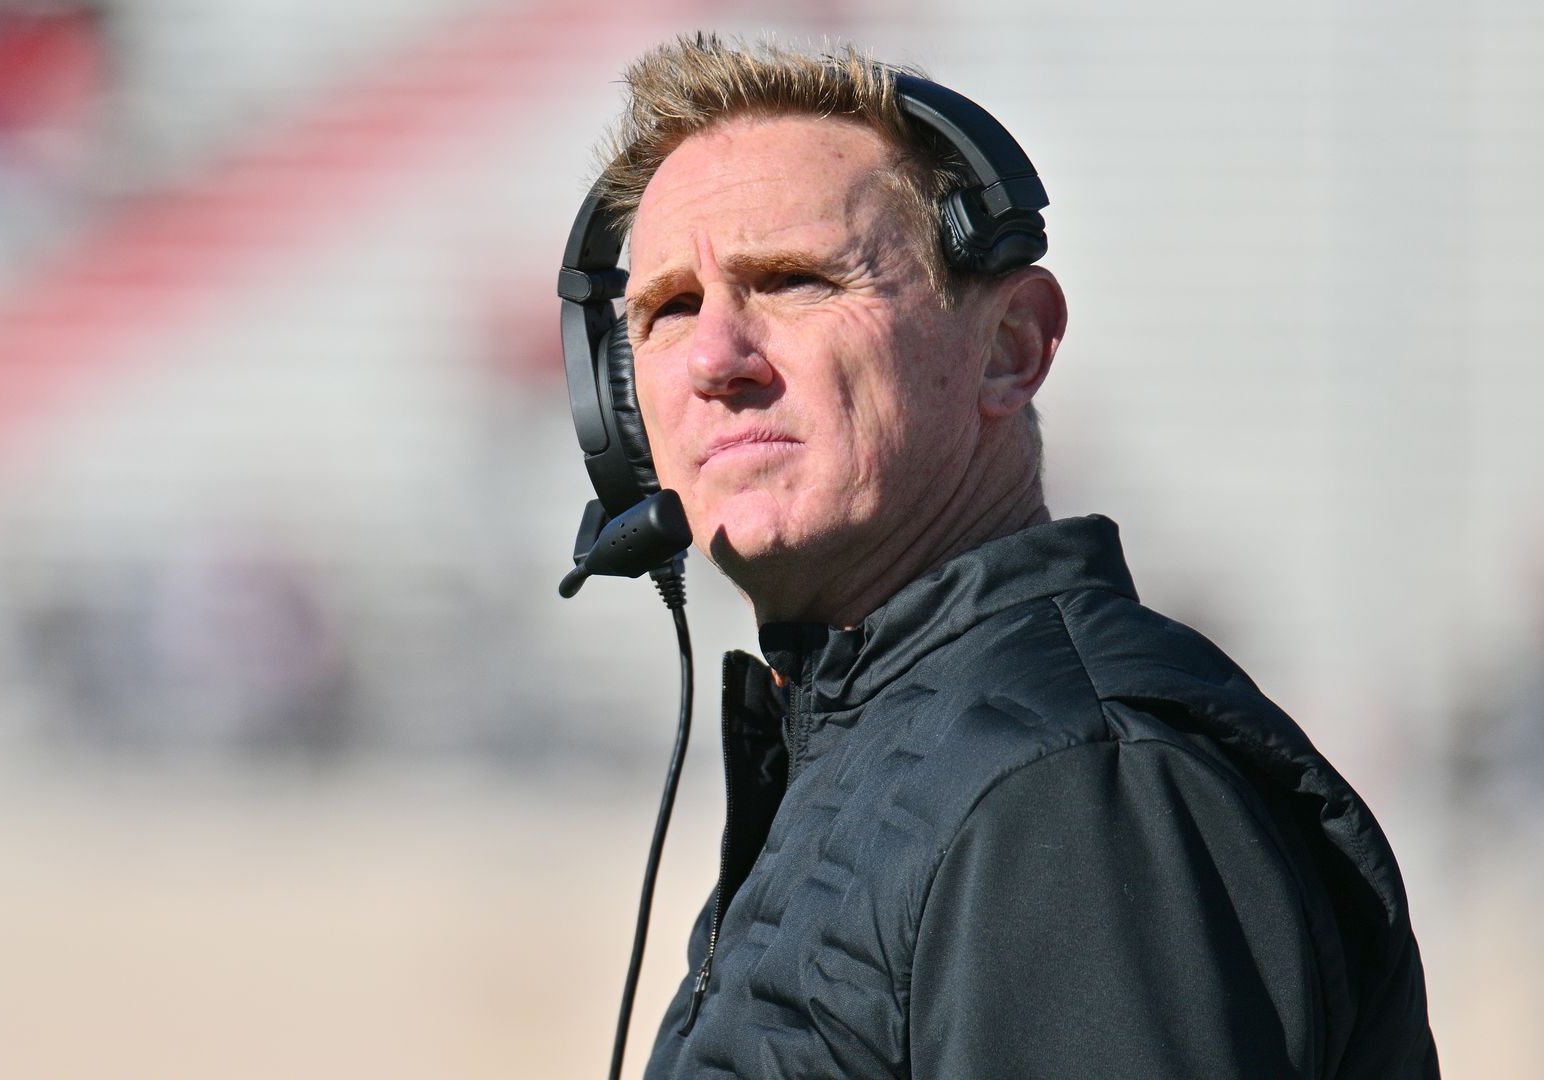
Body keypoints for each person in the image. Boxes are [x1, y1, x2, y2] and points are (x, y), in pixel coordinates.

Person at [578, 36, 1439, 1078]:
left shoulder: (1071, 799)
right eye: (669, 308)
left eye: (796, 280)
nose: (715, 359)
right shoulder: (892, 750)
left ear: (1011, 349)